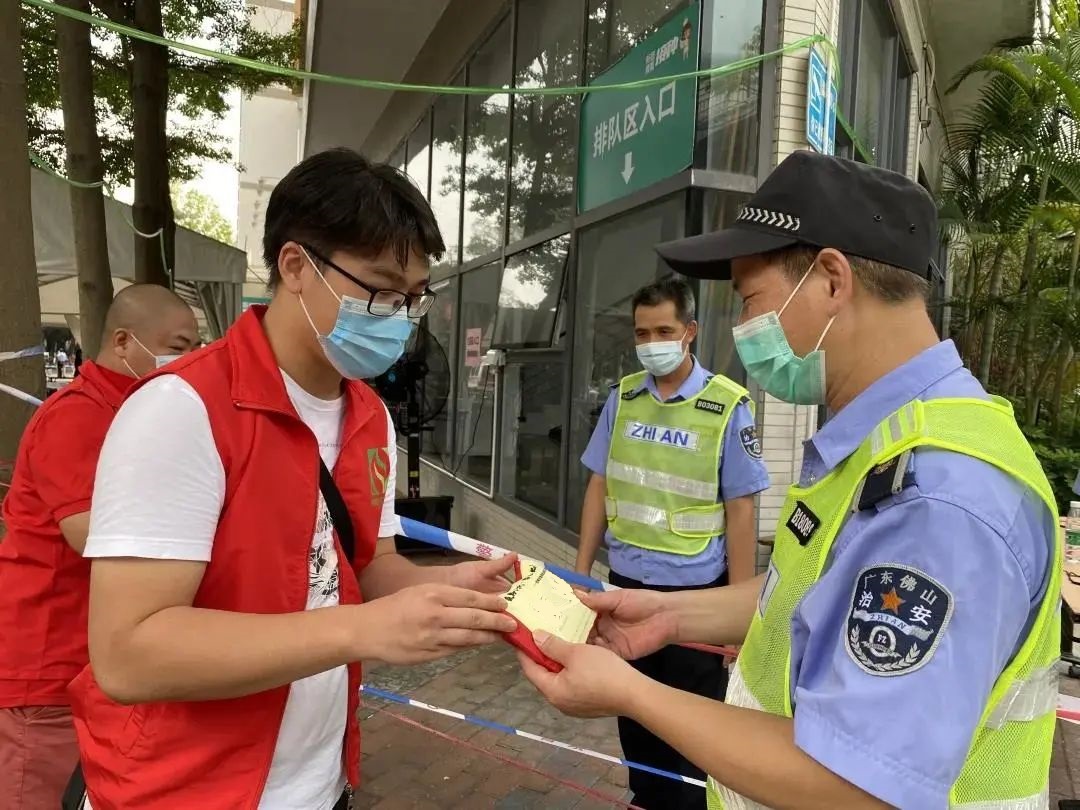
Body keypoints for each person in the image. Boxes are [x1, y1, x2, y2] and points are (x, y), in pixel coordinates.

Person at [518, 151, 1060, 810]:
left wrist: (630, 691)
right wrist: (668, 614)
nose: (744, 330)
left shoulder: (940, 500)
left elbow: (857, 785)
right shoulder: (881, 443)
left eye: (750, 301)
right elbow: (807, 598)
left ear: (832, 280)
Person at [67, 148, 517, 810]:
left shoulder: (369, 417)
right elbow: (129, 652)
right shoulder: (181, 411)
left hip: (319, 781)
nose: (398, 316)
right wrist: (358, 631)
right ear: (296, 265)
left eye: (414, 298)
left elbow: (365, 568)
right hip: (183, 790)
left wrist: (449, 587)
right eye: (381, 289)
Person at [0, 284, 199, 810]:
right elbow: (96, 536)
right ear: (123, 342)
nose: (190, 361)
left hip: (101, 666)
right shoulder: (79, 416)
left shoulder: (142, 414)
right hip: (48, 670)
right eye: (179, 346)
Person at [575, 277, 769, 808]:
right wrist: (581, 569)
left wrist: (738, 609)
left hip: (695, 598)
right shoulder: (625, 398)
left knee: (691, 726)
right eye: (642, 332)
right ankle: (644, 795)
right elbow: (599, 483)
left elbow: (742, 510)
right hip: (626, 588)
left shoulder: (726, 406)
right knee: (633, 713)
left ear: (690, 332)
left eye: (663, 329)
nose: (651, 341)